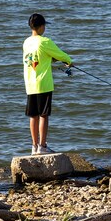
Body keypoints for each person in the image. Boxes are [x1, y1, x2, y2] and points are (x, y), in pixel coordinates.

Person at [23, 13, 73, 155]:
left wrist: (51, 60)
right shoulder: (45, 41)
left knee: (33, 116)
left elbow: (36, 59)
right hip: (43, 84)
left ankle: (34, 147)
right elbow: (62, 55)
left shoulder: (26, 42)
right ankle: (42, 146)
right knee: (44, 115)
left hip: (30, 84)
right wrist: (69, 61)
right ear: (41, 27)